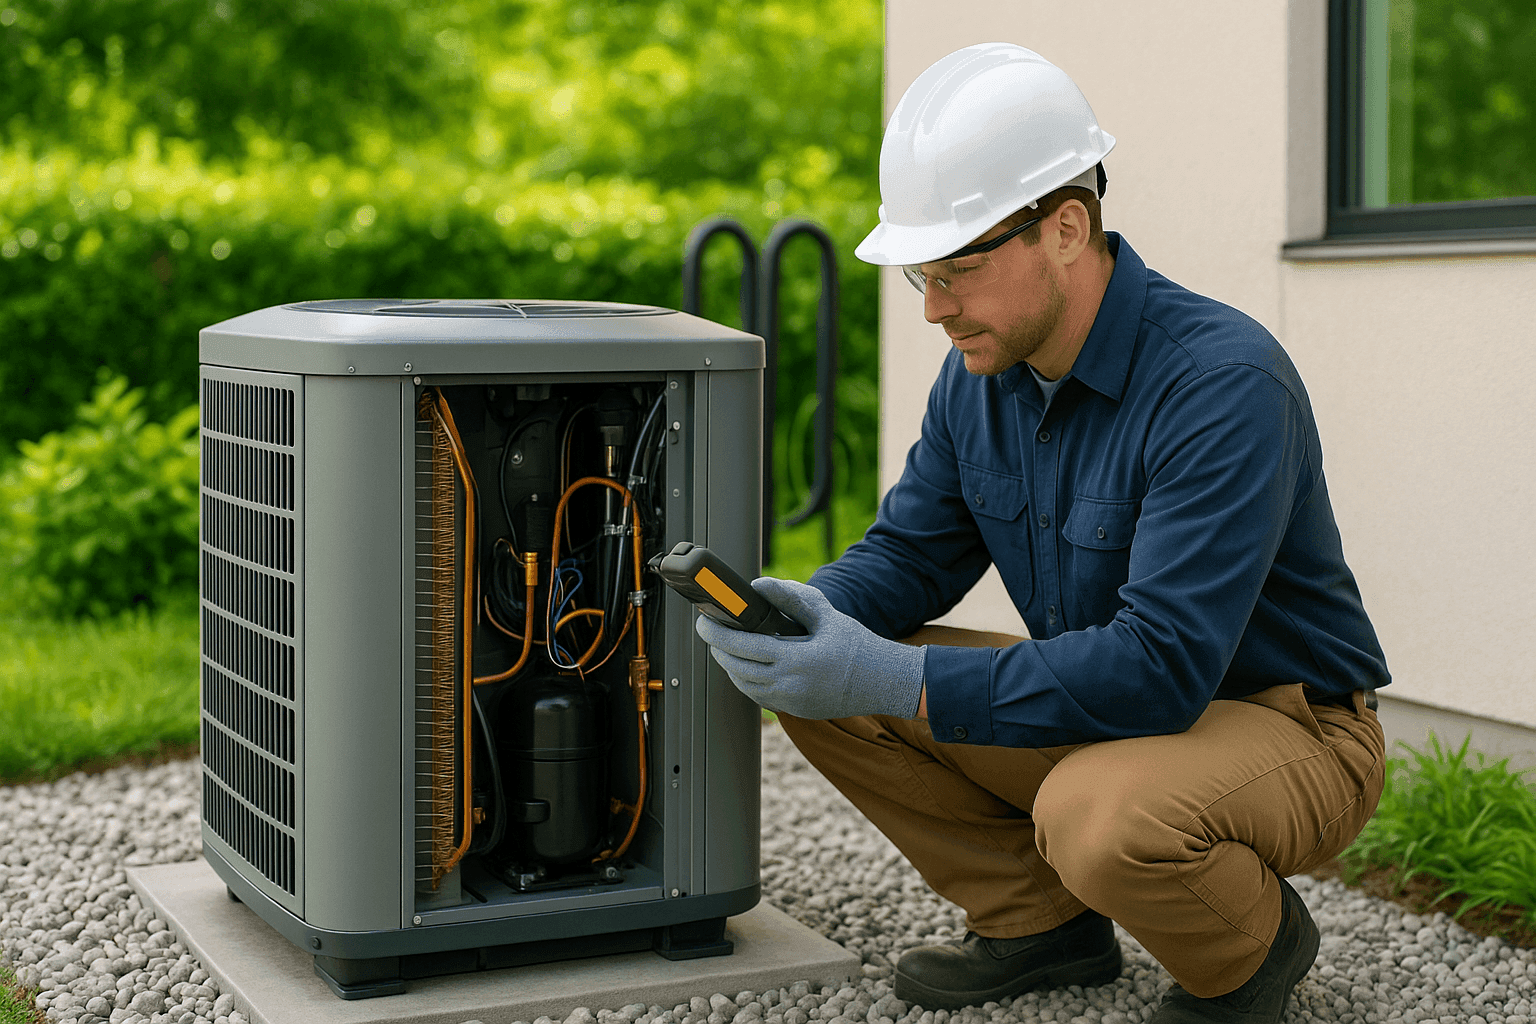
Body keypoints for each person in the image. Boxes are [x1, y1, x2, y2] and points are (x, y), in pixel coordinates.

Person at [693, 42, 1391, 1024]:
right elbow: (912, 553)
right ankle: (1041, 925)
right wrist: (811, 615)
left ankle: (1249, 950)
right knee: (824, 681)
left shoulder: (1220, 383)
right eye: (920, 277)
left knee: (1092, 812)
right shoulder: (980, 373)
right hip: (1128, 711)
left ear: (1066, 228)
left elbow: (1162, 665)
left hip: (1289, 725)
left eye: (959, 269)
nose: (936, 308)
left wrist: (895, 676)